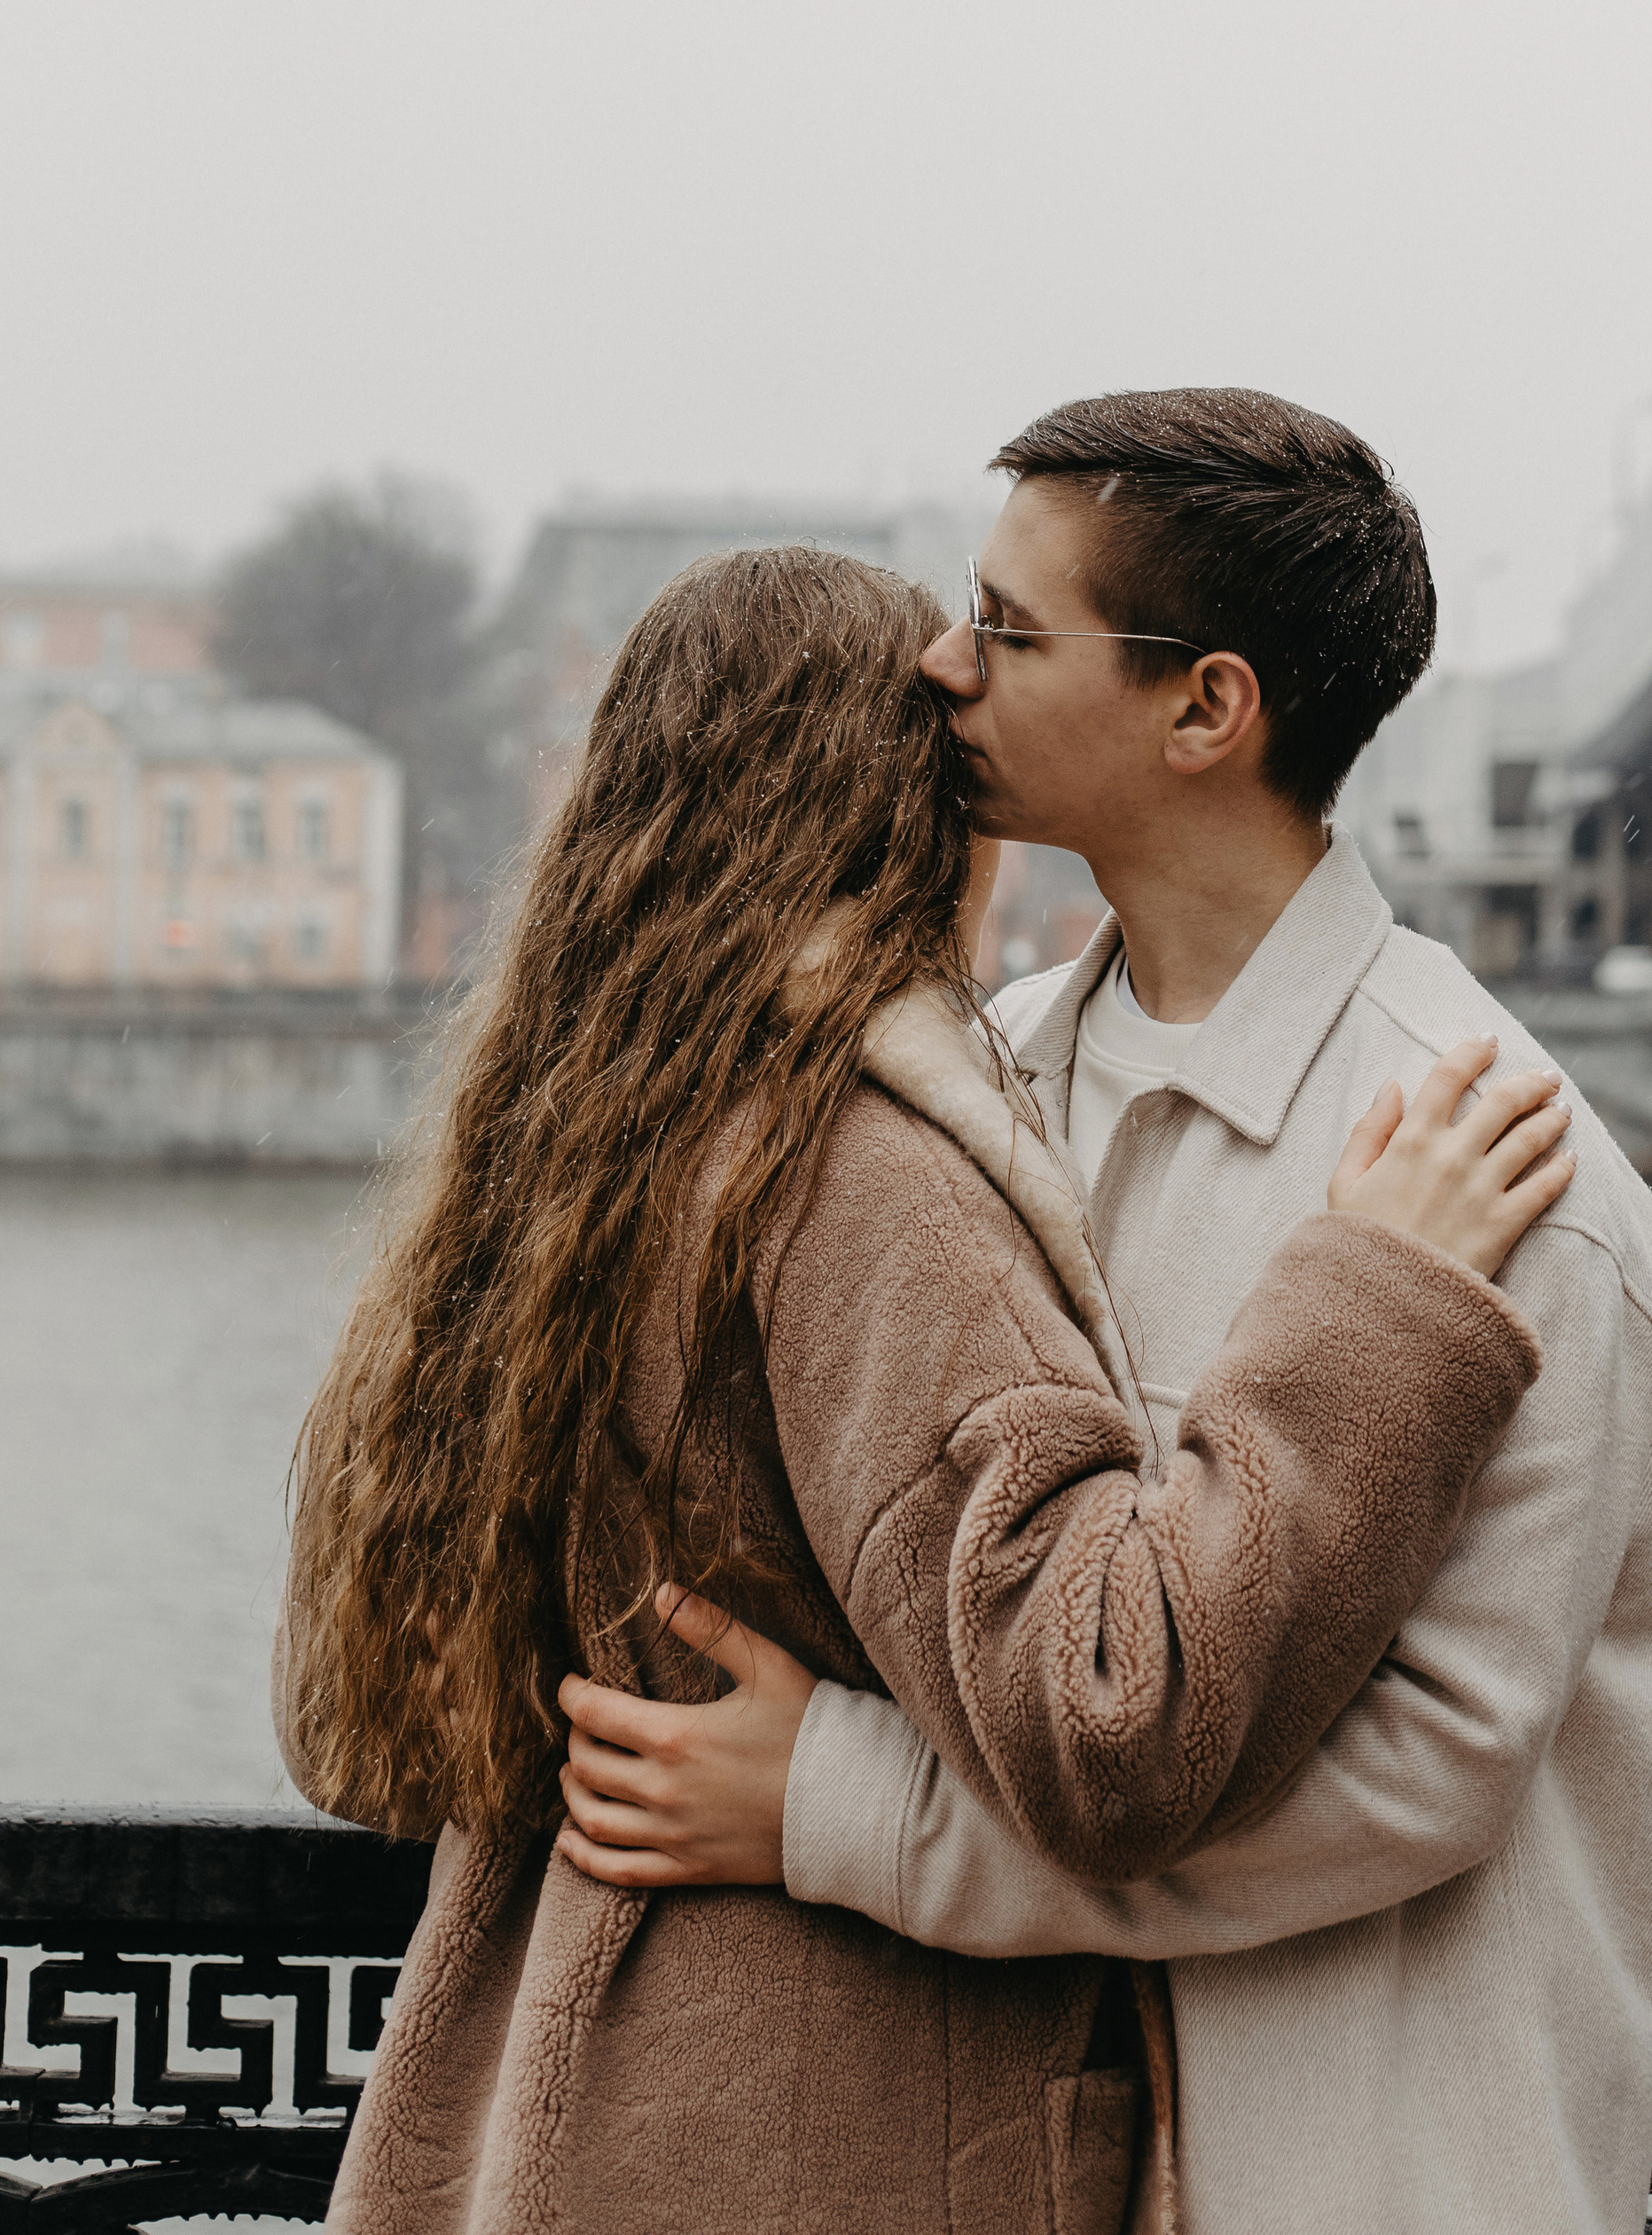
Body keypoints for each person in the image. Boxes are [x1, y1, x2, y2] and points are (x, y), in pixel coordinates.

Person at [275, 542, 1576, 2235]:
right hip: (812, 2128)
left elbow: (350, 1733)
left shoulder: (563, 1149)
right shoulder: (852, 1166)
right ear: (906, 803)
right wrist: (1380, 1305)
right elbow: (1118, 1720)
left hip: (539, 2106)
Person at [556, 390, 1652, 2235]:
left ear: (1203, 707)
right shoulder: (960, 1098)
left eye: (1006, 631)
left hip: (1364, 2175)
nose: (937, 665)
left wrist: (842, 1814)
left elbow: (1415, 1779)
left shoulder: (1497, 1175)